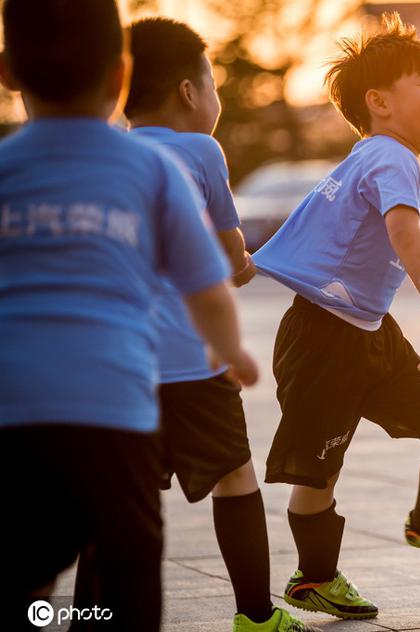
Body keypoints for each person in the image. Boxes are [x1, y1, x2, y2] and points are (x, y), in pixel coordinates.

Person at [0, 1, 258, 630]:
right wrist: (230, 349)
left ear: (9, 74)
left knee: (26, 568)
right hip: (113, 411)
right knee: (128, 564)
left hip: (15, 413)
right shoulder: (152, 168)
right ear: (119, 76)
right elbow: (209, 285)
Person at [250, 12, 420, 621]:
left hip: (370, 332)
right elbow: (401, 230)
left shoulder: (375, 157)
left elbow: (380, 229)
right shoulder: (393, 156)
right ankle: (314, 578)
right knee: (317, 473)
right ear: (379, 103)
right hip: (323, 338)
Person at [82, 18, 306, 632]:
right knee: (234, 477)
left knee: (115, 498)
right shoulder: (201, 151)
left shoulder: (112, 153)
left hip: (121, 363)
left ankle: (91, 618)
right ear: (188, 91)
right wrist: (249, 267)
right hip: (193, 356)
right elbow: (229, 260)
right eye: (213, 87)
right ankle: (256, 616)